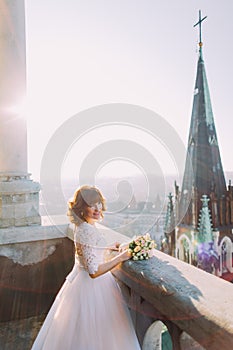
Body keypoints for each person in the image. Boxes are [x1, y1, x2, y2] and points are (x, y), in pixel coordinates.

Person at [31, 185, 141, 350]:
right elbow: (93, 271)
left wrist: (107, 247)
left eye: (99, 204)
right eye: (91, 205)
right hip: (93, 288)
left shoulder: (85, 226)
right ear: (81, 208)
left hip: (81, 284)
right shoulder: (86, 230)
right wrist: (121, 257)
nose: (97, 209)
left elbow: (88, 252)